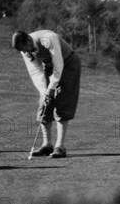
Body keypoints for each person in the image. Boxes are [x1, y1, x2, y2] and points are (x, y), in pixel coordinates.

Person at [12, 30, 81, 158]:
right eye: (23, 51)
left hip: (68, 63)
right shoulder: (24, 50)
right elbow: (35, 72)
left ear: (28, 40)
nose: (26, 52)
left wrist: (52, 88)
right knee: (44, 103)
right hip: (49, 67)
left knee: (62, 101)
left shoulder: (48, 39)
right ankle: (47, 145)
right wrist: (44, 92)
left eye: (26, 48)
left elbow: (58, 65)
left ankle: (60, 146)